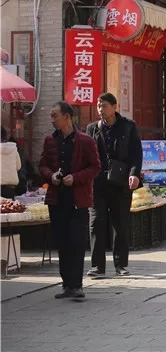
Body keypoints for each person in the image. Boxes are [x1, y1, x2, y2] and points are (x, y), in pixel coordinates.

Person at [39, 101, 101, 300]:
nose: (52, 119)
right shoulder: (50, 140)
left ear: (67, 117)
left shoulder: (85, 141)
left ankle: (76, 285)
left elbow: (95, 167)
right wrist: (52, 177)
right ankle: (66, 284)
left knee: (76, 242)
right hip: (57, 199)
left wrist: (75, 177)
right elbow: (42, 165)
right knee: (62, 242)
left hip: (78, 200)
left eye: (55, 115)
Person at [85, 93, 143, 278]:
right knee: (96, 223)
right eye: (98, 106)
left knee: (120, 224)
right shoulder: (92, 129)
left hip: (121, 183)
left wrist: (134, 174)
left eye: (104, 106)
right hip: (98, 184)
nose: (101, 110)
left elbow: (136, 154)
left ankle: (121, 265)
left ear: (114, 107)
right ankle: (97, 266)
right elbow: (86, 156)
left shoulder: (128, 126)